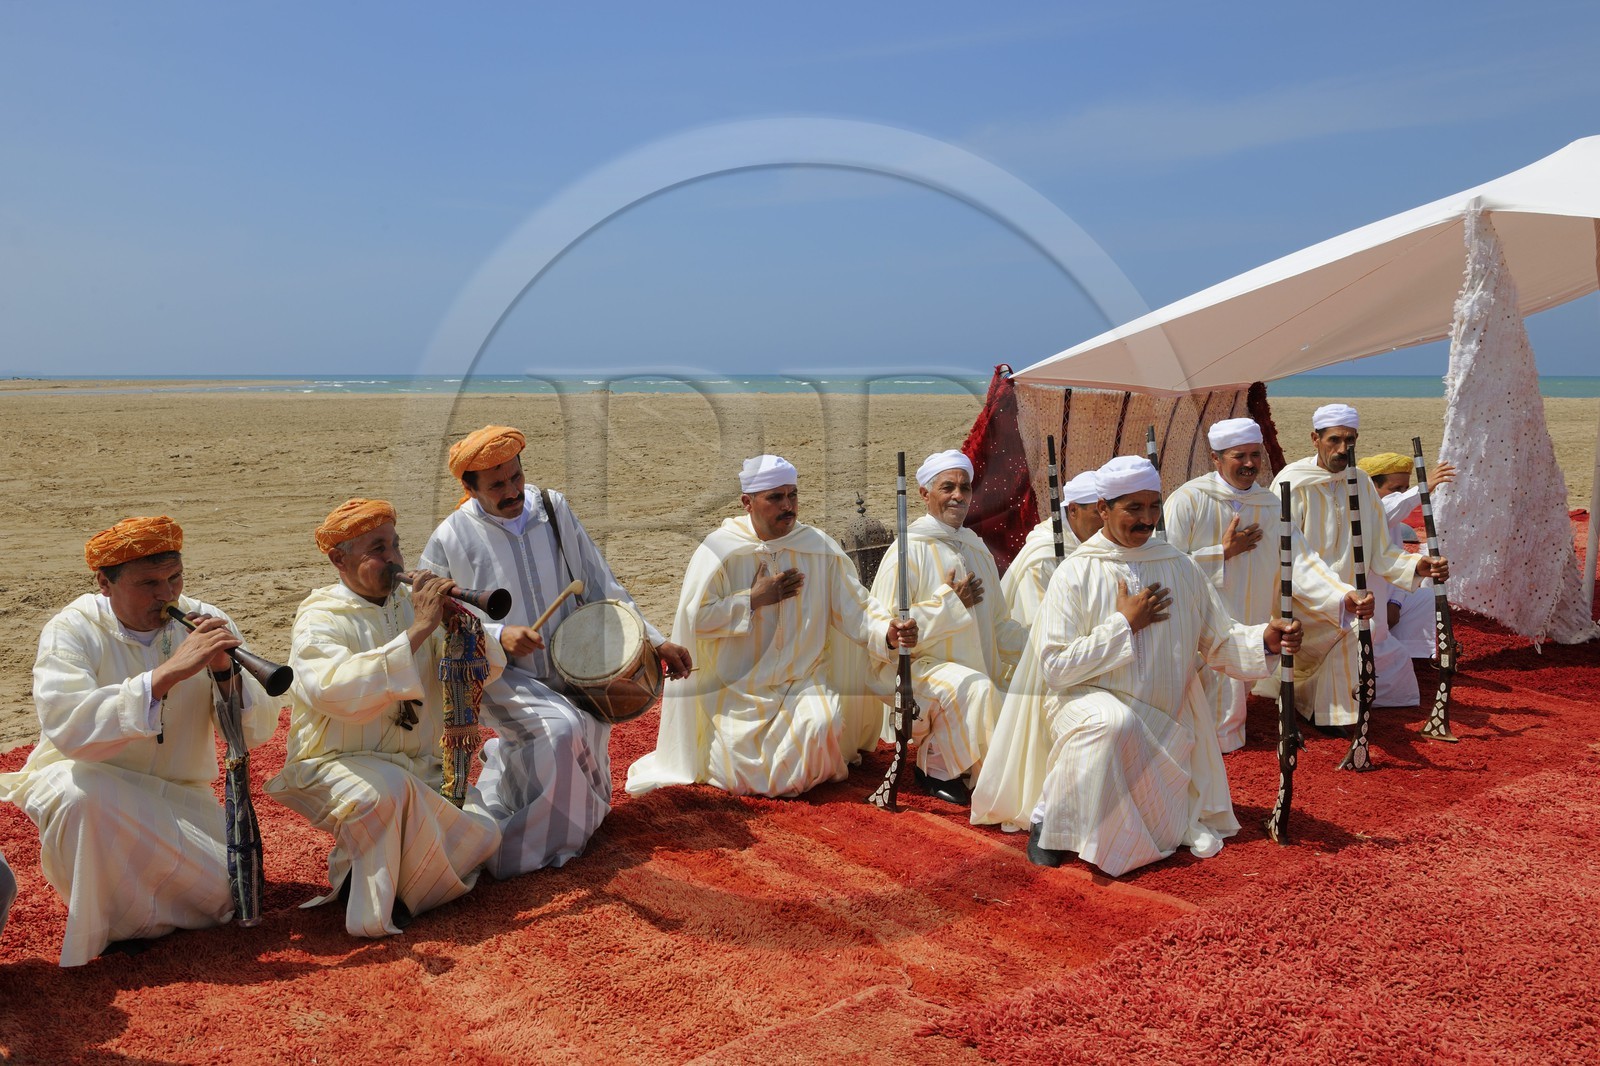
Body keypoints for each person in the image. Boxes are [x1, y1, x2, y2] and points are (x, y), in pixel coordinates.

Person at [971, 457, 1301, 877]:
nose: (1147, 519)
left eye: (1153, 506)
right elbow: (1055, 667)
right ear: (1104, 509)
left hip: (1165, 714)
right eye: (1134, 508)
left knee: (1133, 749)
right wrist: (1124, 625)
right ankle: (1050, 822)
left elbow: (1219, 640)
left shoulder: (1180, 566)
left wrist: (1265, 640)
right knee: (1113, 723)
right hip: (1083, 702)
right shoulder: (1076, 572)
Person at [0, 516, 276, 966]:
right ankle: (110, 927)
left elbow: (253, 733)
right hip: (86, 780)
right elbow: (67, 725)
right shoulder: (71, 629)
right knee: (80, 798)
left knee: (231, 894)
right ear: (104, 584)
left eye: (174, 578)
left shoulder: (205, 620)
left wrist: (226, 675)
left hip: (176, 796)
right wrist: (164, 677)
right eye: (149, 583)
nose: (167, 595)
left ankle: (147, 914)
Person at [418, 424, 690, 876]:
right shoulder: (449, 539)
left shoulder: (551, 507)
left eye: (516, 477)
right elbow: (438, 625)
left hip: (569, 665)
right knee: (562, 731)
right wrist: (498, 636)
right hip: (502, 677)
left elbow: (600, 582)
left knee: (586, 721)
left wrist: (656, 640)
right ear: (469, 488)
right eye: (497, 485)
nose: (513, 491)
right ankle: (510, 855)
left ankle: (558, 814)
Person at [266, 499, 505, 939]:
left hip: (419, 767)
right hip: (336, 762)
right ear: (339, 559)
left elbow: (488, 671)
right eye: (378, 549)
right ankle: (374, 911)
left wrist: (460, 629)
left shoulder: (415, 605)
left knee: (484, 834)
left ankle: (376, 877)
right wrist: (419, 631)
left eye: (395, 545)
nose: (394, 559)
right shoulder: (320, 617)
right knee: (385, 795)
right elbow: (331, 690)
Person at [626, 455, 918, 798]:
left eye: (792, 495)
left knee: (820, 726)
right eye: (775, 497)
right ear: (747, 502)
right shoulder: (721, 550)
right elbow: (695, 621)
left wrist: (887, 630)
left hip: (802, 681)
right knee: (738, 769)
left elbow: (854, 607)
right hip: (739, 688)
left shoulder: (816, 547)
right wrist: (751, 599)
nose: (788, 505)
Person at [1162, 417, 1354, 752]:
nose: (1250, 463)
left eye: (1255, 455)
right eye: (1240, 456)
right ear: (1216, 458)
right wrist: (1219, 553)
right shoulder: (1187, 501)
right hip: (1198, 621)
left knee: (1236, 689)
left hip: (1250, 619)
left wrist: (1343, 595)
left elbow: (1302, 561)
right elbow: (1163, 566)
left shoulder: (1269, 505)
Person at [1273, 405, 1449, 729]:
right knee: (1351, 624)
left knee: (1362, 622)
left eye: (1350, 440)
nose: (1343, 449)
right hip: (1305, 599)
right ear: (1315, 439)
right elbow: (1289, 560)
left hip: (1355, 598)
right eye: (1334, 440)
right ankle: (1332, 716)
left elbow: (1380, 550)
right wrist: (1338, 597)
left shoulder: (1362, 483)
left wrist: (1417, 565)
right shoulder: (1292, 483)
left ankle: (1329, 708)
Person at [869, 449, 1028, 805]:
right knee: (971, 687)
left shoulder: (975, 547)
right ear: (925, 494)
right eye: (947, 487)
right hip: (913, 671)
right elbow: (890, 630)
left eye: (965, 487)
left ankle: (967, 766)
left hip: (975, 669)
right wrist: (950, 604)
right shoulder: (908, 550)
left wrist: (1040, 645)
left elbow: (1000, 625)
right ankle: (934, 767)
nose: (958, 495)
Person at [1357, 452, 1458, 660]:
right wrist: (1421, 490)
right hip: (1363, 601)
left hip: (1387, 598)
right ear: (1371, 488)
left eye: (1405, 488)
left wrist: (1396, 603)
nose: (1400, 494)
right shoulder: (1366, 513)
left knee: (1426, 597)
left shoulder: (1394, 520)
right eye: (1395, 490)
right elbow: (1391, 507)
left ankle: (1412, 654)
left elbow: (1400, 566)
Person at [999, 470, 1103, 628]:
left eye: (1109, 512)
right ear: (1073, 510)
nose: (1107, 520)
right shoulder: (1043, 561)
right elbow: (1037, 626)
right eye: (1099, 513)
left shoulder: (1101, 545)